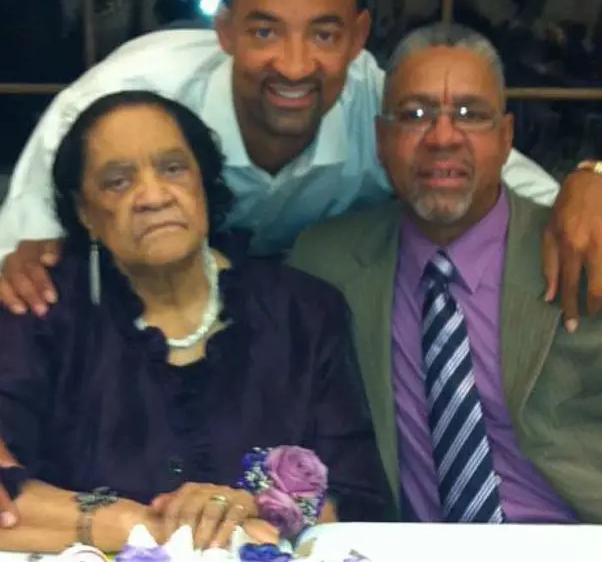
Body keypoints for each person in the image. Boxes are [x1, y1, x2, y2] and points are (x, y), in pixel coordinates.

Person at [0, 0, 602, 338]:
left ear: (359, 38)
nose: (295, 64)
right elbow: (19, 274)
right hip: (139, 329)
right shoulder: (123, 101)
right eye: (264, 31)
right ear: (223, 31)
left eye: (326, 34)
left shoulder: (383, 110)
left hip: (301, 335)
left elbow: (502, 177)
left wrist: (592, 182)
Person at [288, 23, 602, 561]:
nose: (442, 136)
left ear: (507, 137)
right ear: (382, 140)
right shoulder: (325, 263)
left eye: (470, 115)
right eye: (413, 115)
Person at [0, 90, 390, 552]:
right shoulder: (38, 312)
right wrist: (147, 527)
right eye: (118, 182)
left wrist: (250, 509)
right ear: (86, 213)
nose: (152, 195)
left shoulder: (303, 312)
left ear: (203, 180)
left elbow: (356, 500)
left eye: (172, 168)